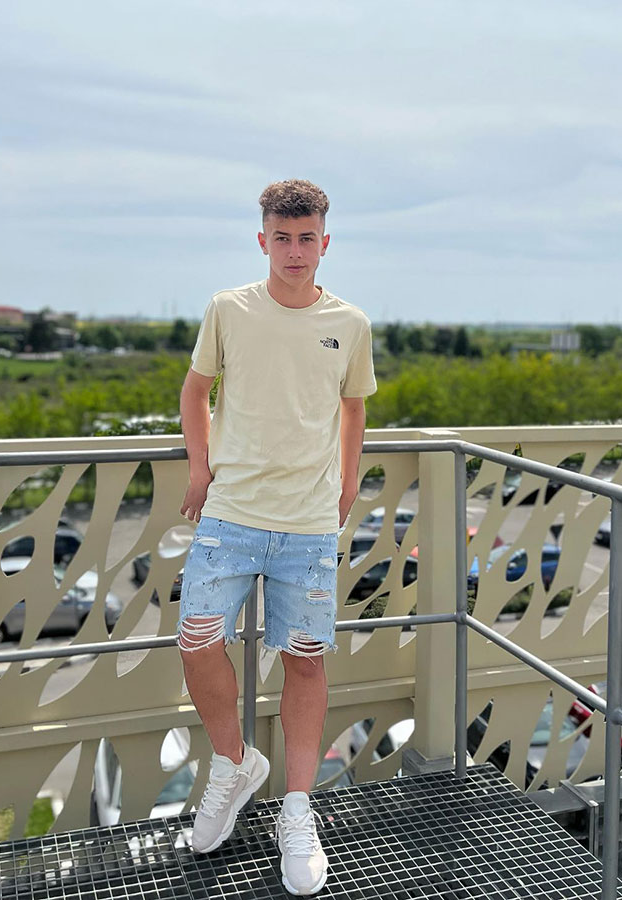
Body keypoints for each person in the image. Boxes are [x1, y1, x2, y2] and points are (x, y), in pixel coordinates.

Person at [177, 179, 376, 896]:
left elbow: (354, 410)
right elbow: (195, 391)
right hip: (229, 514)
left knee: (306, 663)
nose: (296, 250)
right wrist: (200, 471)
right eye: (283, 237)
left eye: (308, 237)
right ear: (263, 239)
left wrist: (348, 483)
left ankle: (298, 809)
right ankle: (233, 765)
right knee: (197, 641)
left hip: (308, 525)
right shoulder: (229, 309)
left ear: (326, 240)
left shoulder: (349, 322)